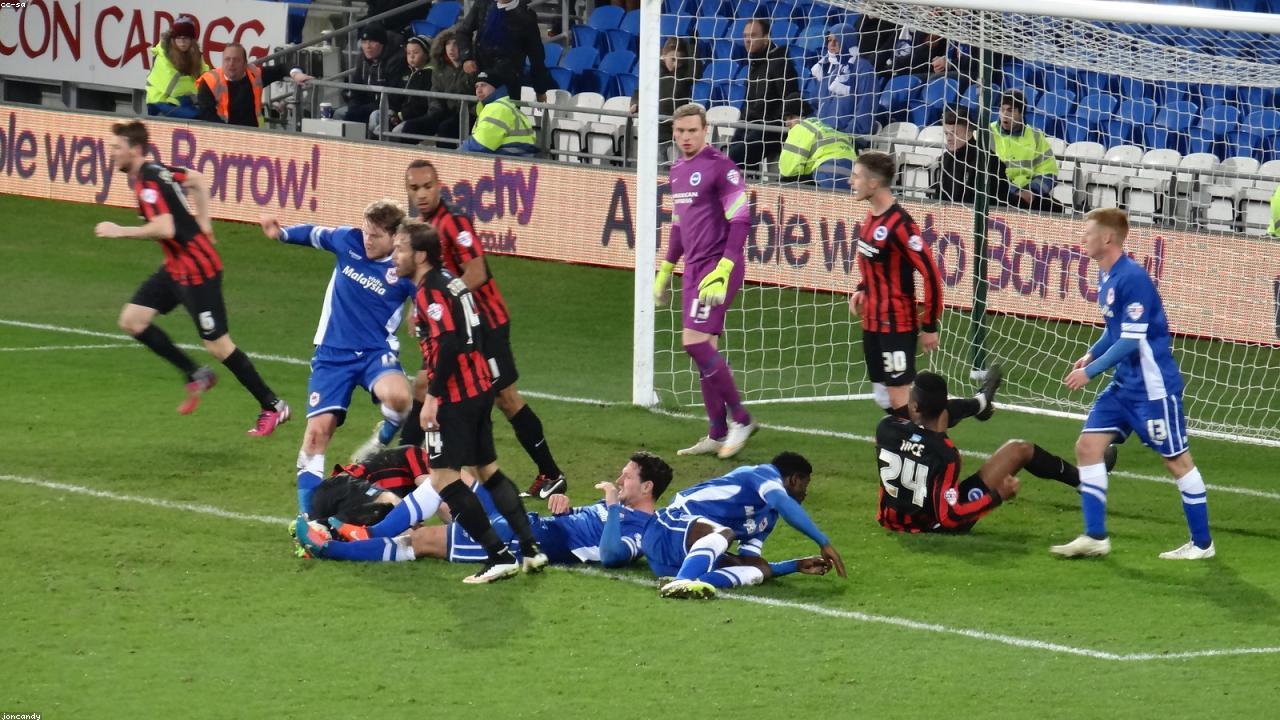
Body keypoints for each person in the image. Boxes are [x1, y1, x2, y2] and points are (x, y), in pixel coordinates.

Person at [94, 121, 289, 435]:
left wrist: (121, 231)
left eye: (117, 147)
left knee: (218, 346)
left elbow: (166, 227)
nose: (111, 153)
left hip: (198, 271)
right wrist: (204, 221)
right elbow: (197, 179)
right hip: (175, 268)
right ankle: (196, 374)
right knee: (132, 320)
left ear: (135, 149)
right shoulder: (156, 170)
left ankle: (273, 406)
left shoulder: (148, 183)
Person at [391, 220, 550, 580]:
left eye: (400, 248)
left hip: (453, 396)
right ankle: (529, 549)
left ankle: (498, 555)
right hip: (478, 387)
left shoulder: (430, 290)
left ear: (419, 254)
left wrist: (432, 398)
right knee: (487, 470)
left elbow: (447, 342)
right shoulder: (453, 281)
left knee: (445, 479)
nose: (395, 254)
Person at [1054, 209, 1215, 560]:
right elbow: (1114, 330)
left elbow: (1130, 340)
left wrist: (1090, 371)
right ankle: (1095, 536)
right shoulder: (1107, 275)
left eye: (1088, 232)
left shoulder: (1133, 278)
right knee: (1088, 447)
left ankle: (1203, 544)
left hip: (1152, 391)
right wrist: (1090, 352)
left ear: (1108, 238)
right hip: (1123, 388)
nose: (1082, 238)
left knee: (1177, 462)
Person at [401, 159, 567, 499]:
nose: (421, 193)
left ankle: (551, 473)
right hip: (456, 330)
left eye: (427, 186)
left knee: (506, 399)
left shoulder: (453, 223)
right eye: (414, 188)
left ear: (439, 186)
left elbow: (477, 272)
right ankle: (402, 463)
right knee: (423, 385)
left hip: (485, 325)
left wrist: (440, 304)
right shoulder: (422, 227)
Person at [258, 201, 417, 516]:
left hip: (375, 352)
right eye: (366, 231)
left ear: (393, 238)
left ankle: (387, 429)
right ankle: (309, 518)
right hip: (333, 354)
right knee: (317, 434)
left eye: (375, 235)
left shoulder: (401, 266)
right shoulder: (348, 241)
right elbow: (315, 234)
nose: (367, 239)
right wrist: (281, 234)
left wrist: (418, 312)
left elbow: (425, 291)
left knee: (400, 398)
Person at [297, 451, 672, 570]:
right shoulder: (620, 508)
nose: (619, 481)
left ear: (647, 488)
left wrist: (606, 506)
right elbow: (584, 531)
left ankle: (330, 548)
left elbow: (609, 556)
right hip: (533, 522)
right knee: (452, 474)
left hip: (525, 542)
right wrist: (565, 509)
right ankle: (369, 533)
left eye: (627, 478)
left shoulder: (647, 529)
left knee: (423, 540)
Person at [653, 104, 756, 459]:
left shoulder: (721, 167)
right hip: (694, 268)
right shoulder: (677, 169)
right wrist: (666, 270)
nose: (685, 137)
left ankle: (741, 419)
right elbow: (680, 225)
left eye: (692, 131)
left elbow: (742, 219)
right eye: (680, 131)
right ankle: (716, 432)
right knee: (703, 350)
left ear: (705, 130)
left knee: (694, 344)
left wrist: (725, 268)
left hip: (717, 267)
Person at [875, 371, 1091, 534]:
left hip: (892, 520)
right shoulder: (946, 453)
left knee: (1017, 448)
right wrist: (998, 496)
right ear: (943, 406)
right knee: (1020, 450)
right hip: (934, 525)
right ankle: (1085, 482)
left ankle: (981, 402)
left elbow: (933, 421)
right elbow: (950, 516)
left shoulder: (886, 428)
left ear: (914, 406)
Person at [292, 440, 528, 584]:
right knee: (401, 508)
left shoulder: (442, 464)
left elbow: (444, 496)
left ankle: (326, 536)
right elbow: (436, 488)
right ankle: (337, 535)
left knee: (412, 530)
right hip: (346, 488)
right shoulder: (422, 456)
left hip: (337, 496)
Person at [644, 452, 847, 600]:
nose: (806, 493)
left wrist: (794, 566)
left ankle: (690, 583)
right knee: (725, 532)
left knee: (758, 569)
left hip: (676, 560)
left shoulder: (769, 516)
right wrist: (823, 542)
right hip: (666, 529)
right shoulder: (762, 474)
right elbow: (783, 503)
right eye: (805, 485)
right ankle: (683, 581)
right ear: (794, 480)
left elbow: (750, 560)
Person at [848, 151, 953, 419]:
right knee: (882, 393)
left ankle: (913, 445)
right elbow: (876, 261)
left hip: (896, 323)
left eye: (856, 176)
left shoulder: (902, 224)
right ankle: (959, 411)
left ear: (873, 183)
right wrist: (862, 288)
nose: (851, 181)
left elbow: (930, 273)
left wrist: (929, 325)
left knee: (897, 395)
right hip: (871, 321)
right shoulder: (873, 216)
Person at [727, 18, 801, 170]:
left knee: (731, 160)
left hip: (771, 131)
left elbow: (790, 99)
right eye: (745, 36)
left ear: (766, 37)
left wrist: (770, 122)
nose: (747, 40)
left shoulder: (780, 63)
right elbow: (748, 105)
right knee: (724, 157)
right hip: (751, 127)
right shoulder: (755, 63)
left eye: (753, 35)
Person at [453, 0, 555, 101]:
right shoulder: (483, 4)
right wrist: (466, 58)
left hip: (509, 82)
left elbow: (536, 56)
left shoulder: (526, 16)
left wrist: (540, 89)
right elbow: (463, 32)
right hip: (481, 75)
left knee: (504, 113)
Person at [196, 43, 313, 127]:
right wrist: (229, 133)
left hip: (253, 134)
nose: (231, 64)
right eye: (227, 59)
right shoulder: (209, 81)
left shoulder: (254, 74)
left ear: (245, 63)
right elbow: (207, 114)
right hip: (223, 136)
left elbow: (282, 68)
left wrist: (296, 74)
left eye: (236, 60)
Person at [392, 30, 474, 145]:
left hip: (467, 114)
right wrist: (435, 113)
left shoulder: (473, 68)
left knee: (446, 128)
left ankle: (445, 161)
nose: (451, 48)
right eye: (448, 44)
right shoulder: (440, 68)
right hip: (443, 111)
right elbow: (435, 93)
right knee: (410, 127)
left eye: (456, 43)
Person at [990, 90, 1064, 213]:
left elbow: (1049, 172)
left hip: (1029, 192)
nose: (1004, 115)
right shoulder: (988, 132)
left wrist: (1032, 191)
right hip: (999, 192)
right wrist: (1014, 191)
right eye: (1001, 110)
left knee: (1056, 208)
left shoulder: (1036, 136)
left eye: (1010, 110)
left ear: (1021, 113)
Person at [931, 107, 1009, 205]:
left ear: (969, 133)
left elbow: (993, 202)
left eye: (954, 133)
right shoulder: (945, 158)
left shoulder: (988, 161)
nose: (948, 139)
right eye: (946, 134)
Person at [810, 23, 875, 138]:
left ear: (848, 41)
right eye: (829, 40)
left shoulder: (863, 68)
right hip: (821, 133)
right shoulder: (826, 66)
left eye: (837, 40)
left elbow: (865, 110)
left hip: (846, 137)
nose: (832, 44)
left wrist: (845, 135)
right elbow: (815, 102)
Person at [630, 38, 697, 147]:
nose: (676, 64)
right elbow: (639, 90)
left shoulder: (683, 75)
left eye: (680, 61)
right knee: (658, 162)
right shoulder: (653, 73)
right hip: (656, 130)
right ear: (664, 55)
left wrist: (693, 45)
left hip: (677, 132)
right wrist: (635, 103)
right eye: (673, 59)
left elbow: (696, 72)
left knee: (676, 163)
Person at [341, 25, 408, 126]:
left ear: (382, 44)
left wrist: (360, 110)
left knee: (369, 117)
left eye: (372, 42)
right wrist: (354, 107)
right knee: (339, 114)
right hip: (366, 105)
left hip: (389, 107)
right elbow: (356, 90)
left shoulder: (397, 60)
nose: (367, 46)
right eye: (364, 42)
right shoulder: (362, 59)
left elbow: (393, 97)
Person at [458, 72, 538, 156]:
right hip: (516, 160)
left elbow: (480, 145)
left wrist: (454, 154)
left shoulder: (497, 108)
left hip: (508, 162)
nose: (479, 90)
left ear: (496, 88)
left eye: (483, 85)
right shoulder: (505, 105)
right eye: (476, 86)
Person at [778, 107, 857, 190]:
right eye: (785, 119)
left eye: (791, 118)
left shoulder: (800, 128)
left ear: (803, 116)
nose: (786, 123)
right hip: (853, 175)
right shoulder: (826, 127)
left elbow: (789, 170)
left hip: (828, 175)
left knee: (785, 183)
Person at [145, 15, 208, 119]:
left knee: (210, 115)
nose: (182, 42)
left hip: (181, 100)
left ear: (191, 40)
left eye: (186, 38)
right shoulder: (163, 56)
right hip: (160, 102)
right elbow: (174, 87)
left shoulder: (194, 54)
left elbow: (206, 75)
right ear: (173, 39)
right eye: (179, 37)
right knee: (197, 117)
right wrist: (199, 93)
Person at [372, 34, 432, 140]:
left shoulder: (430, 75)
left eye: (416, 53)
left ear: (427, 54)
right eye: (408, 53)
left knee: (396, 131)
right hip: (399, 113)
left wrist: (401, 116)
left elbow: (422, 104)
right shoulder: (405, 72)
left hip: (416, 117)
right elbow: (396, 95)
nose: (411, 56)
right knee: (376, 115)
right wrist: (392, 110)